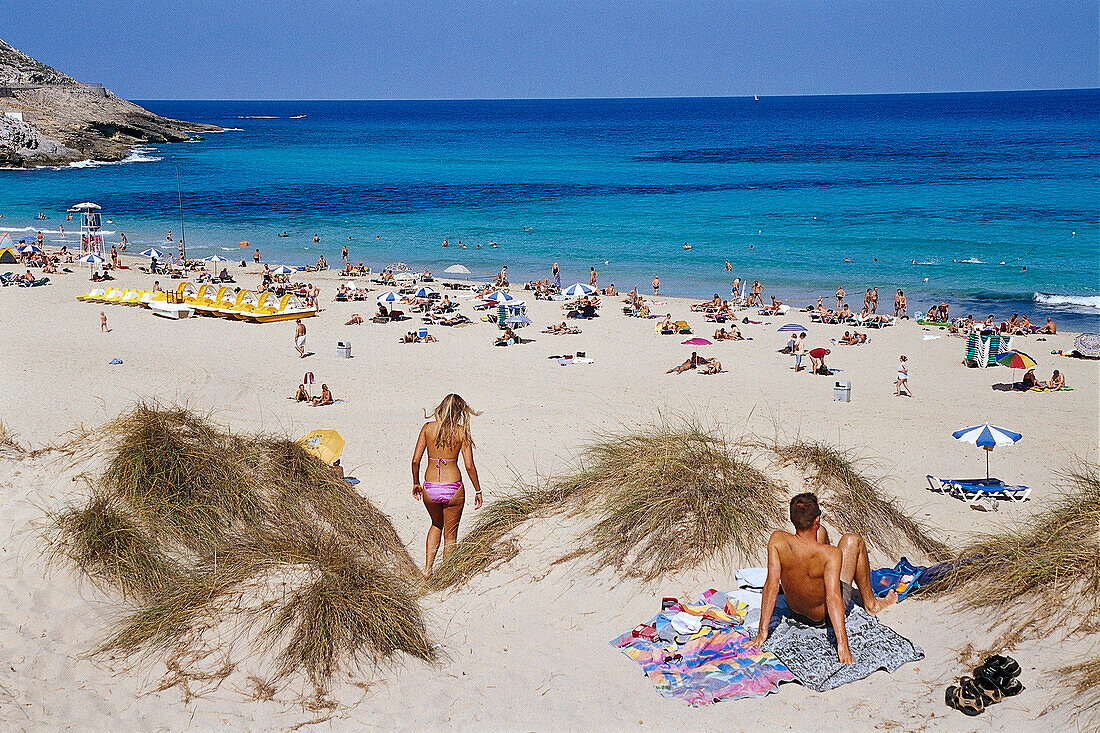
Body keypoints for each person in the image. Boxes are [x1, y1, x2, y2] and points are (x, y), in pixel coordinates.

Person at [749, 493, 897, 664]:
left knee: (821, 533)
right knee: (852, 541)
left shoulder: (777, 540)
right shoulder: (832, 555)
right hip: (822, 618)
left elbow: (771, 584)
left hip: (795, 610)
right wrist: (842, 645)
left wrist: (762, 633)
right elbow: (833, 597)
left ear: (792, 518)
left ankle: (822, 572)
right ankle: (872, 604)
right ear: (817, 518)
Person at [411, 394, 483, 578]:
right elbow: (469, 465)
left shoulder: (428, 428)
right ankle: (445, 574)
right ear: (459, 412)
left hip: (430, 487)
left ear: (441, 408)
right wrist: (478, 490)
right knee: (450, 536)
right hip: (453, 487)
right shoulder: (461, 432)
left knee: (436, 524)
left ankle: (427, 570)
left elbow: (415, 460)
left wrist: (416, 482)